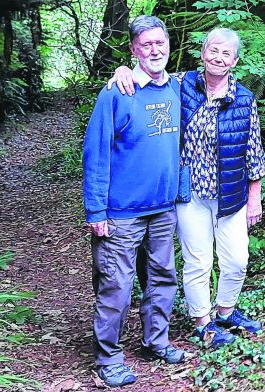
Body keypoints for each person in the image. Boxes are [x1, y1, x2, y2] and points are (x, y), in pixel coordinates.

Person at [109, 27, 265, 348]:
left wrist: (255, 199)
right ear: (203, 53)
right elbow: (146, 76)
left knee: (237, 259)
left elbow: (254, 151)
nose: (218, 58)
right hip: (190, 193)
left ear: (234, 61)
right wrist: (124, 69)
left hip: (230, 194)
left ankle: (226, 311)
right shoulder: (181, 85)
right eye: (213, 50)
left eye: (226, 54)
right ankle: (203, 322)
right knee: (198, 261)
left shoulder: (244, 99)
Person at [83, 15, 187, 388]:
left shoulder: (177, 87)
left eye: (160, 43)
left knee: (162, 278)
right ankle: (108, 358)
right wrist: (96, 210)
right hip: (121, 214)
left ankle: (155, 342)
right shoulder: (116, 93)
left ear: (169, 45)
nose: (155, 50)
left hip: (162, 209)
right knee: (116, 287)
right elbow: (96, 154)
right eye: (146, 45)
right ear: (133, 50)